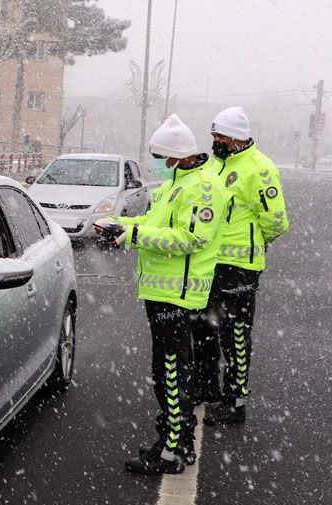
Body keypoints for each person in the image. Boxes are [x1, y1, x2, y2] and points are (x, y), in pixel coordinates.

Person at [95, 114, 227, 475]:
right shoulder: (176, 186)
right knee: (169, 370)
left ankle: (171, 452)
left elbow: (191, 238)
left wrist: (134, 237)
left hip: (179, 296)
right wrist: (122, 226)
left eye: (159, 156)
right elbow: (155, 225)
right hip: (162, 293)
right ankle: (178, 443)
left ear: (176, 157)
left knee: (172, 372)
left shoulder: (203, 188)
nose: (156, 162)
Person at [191, 107, 290, 426]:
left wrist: (259, 242)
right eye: (213, 135)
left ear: (235, 138)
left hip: (240, 268)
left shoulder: (260, 169)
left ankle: (235, 402)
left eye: (219, 136)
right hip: (209, 263)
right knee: (204, 326)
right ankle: (207, 389)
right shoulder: (217, 165)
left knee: (234, 335)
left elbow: (276, 220)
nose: (215, 141)